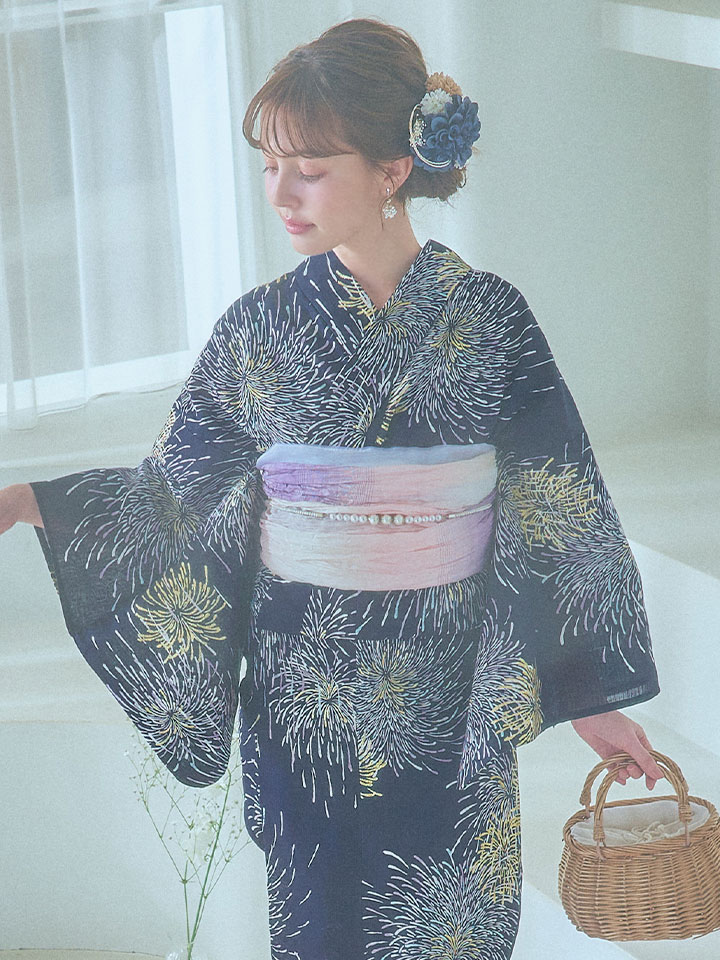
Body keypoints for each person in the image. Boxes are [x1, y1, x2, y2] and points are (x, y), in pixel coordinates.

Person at [0, 16, 664, 960]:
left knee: (452, 928)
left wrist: (590, 697)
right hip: (302, 702)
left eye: (309, 168)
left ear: (394, 169)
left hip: (453, 699)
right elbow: (172, 495)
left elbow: (558, 504)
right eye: (270, 166)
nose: (281, 193)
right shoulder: (257, 331)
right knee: (323, 932)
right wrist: (30, 499)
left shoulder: (491, 320)